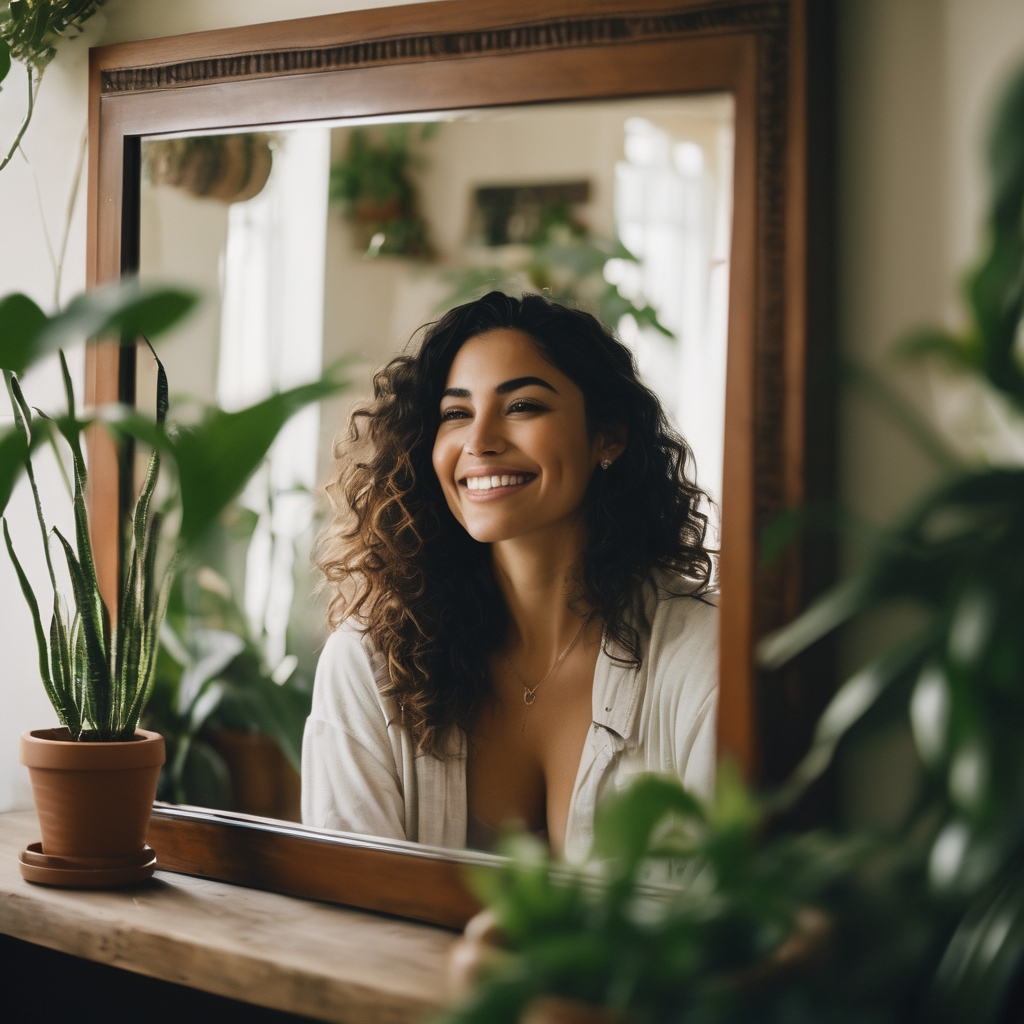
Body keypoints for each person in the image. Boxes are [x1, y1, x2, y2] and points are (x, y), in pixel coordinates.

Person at [302, 291, 717, 862]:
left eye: (522, 406)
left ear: (609, 437)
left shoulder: (699, 654)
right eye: (456, 413)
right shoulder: (370, 663)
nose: (479, 441)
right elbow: (348, 917)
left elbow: (728, 913)